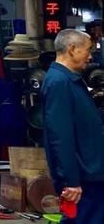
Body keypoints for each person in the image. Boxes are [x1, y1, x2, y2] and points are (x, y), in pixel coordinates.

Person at [42, 29, 104, 224]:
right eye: (88, 50)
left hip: (89, 172)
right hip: (83, 176)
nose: (90, 56)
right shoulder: (59, 82)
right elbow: (60, 136)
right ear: (72, 49)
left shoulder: (69, 80)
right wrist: (71, 181)